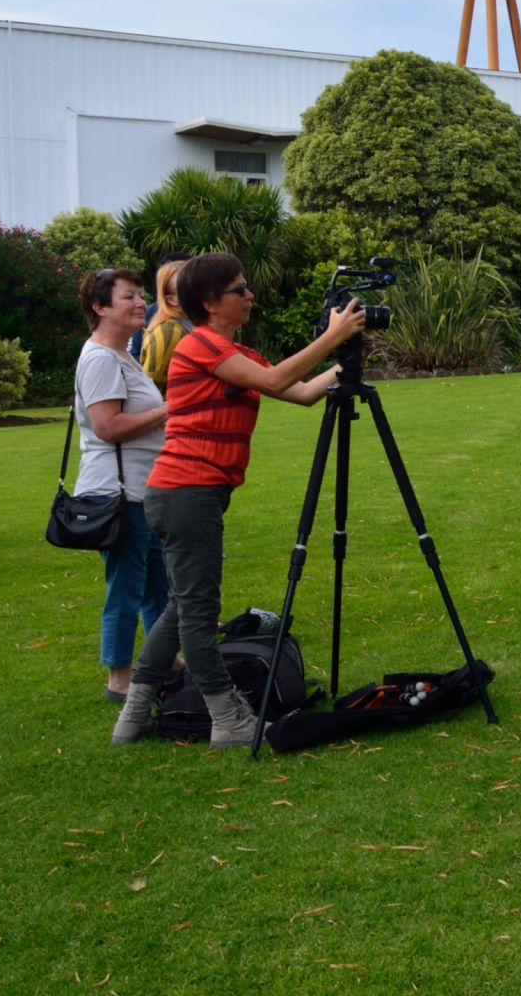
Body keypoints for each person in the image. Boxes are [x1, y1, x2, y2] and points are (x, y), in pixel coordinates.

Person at [109, 252, 367, 749]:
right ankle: (228, 720)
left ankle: (134, 715)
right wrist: (331, 335)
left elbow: (302, 391)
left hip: (185, 494)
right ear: (210, 302)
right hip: (186, 493)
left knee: (181, 608)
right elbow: (274, 382)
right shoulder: (200, 344)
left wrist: (345, 362)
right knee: (199, 614)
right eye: (239, 289)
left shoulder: (233, 351)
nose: (250, 296)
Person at [73, 269, 171, 702]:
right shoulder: (100, 358)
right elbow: (107, 426)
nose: (140, 303)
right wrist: (166, 411)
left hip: (140, 491)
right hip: (117, 494)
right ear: (100, 308)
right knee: (127, 587)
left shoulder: (123, 354)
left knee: (156, 585)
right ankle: (119, 677)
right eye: (129, 296)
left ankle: (161, 659)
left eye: (139, 295)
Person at [138, 258, 193, 393]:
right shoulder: (169, 332)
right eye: (187, 287)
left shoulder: (189, 324)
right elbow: (150, 388)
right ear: (171, 299)